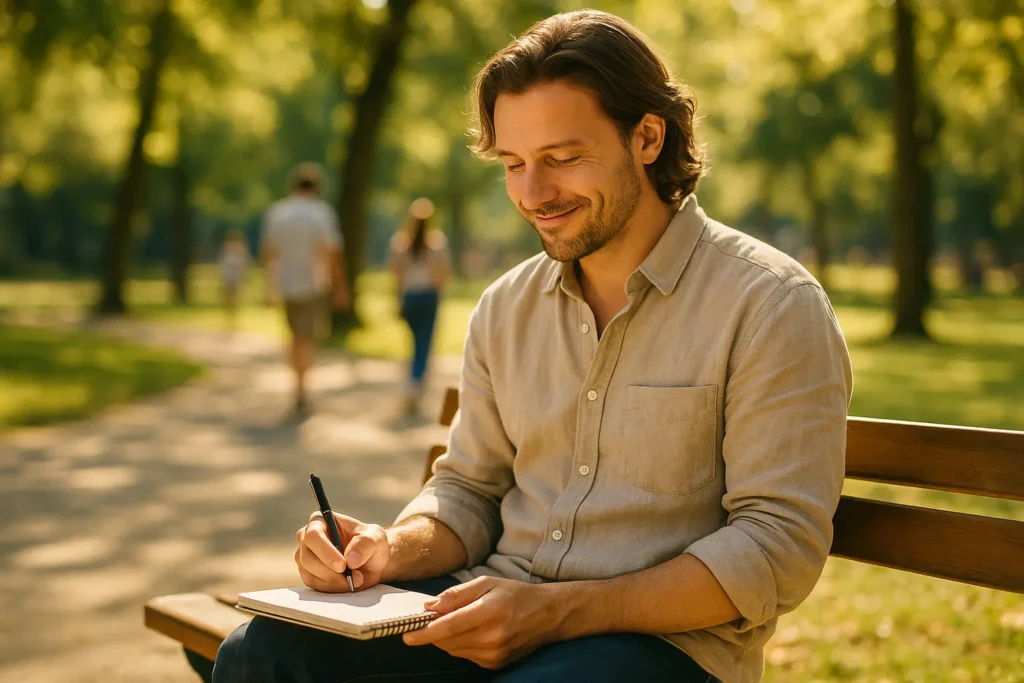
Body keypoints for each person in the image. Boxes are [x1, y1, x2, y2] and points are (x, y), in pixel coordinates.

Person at [201, 10, 852, 683]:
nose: (533, 194)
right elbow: (469, 489)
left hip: (663, 649)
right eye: (513, 164)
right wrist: (389, 548)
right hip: (485, 609)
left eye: (562, 159)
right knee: (261, 653)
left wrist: (554, 610)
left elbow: (778, 547)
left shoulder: (770, 304)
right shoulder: (505, 307)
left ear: (648, 137)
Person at [260, 162, 350, 415]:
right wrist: (340, 287)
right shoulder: (321, 213)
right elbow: (332, 253)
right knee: (307, 339)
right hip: (313, 285)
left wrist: (267, 285)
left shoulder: (278, 213)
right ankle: (303, 388)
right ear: (316, 188)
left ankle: (296, 385)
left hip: (286, 285)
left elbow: (269, 253)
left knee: (293, 338)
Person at [389, 197, 451, 415]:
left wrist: (397, 300)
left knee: (413, 343)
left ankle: (411, 383)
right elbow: (441, 275)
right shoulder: (436, 244)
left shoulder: (401, 243)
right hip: (428, 297)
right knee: (424, 345)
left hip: (409, 297)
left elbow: (395, 275)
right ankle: (416, 384)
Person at [218, 228, 251, 327]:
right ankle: (230, 312)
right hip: (229, 274)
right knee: (229, 294)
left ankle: (233, 312)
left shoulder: (240, 248)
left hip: (236, 274)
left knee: (235, 294)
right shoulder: (227, 247)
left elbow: (245, 261)